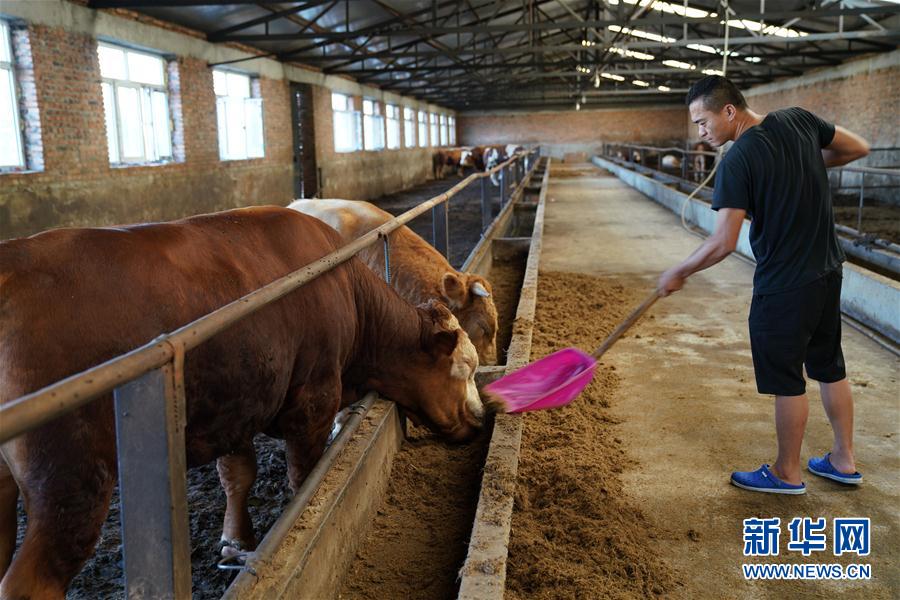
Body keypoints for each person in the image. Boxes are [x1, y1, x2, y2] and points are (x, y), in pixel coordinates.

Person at [657, 75, 870, 495]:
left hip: (784, 285)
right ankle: (843, 460)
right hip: (828, 270)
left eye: (702, 122)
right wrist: (803, 162)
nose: (701, 133)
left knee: (787, 380)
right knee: (830, 366)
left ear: (729, 112)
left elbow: (722, 242)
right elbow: (857, 147)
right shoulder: (799, 120)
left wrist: (679, 271)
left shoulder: (738, 161)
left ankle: (786, 472)